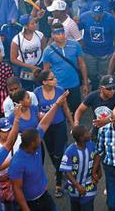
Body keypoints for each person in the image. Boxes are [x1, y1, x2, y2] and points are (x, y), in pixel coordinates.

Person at [9, 90, 69, 211]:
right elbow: (17, 190)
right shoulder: (17, 163)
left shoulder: (35, 148)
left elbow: (45, 122)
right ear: (32, 144)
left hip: (44, 196)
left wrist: (57, 104)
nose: (41, 139)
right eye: (38, 139)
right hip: (31, 203)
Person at [34, 69, 74, 198]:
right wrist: (40, 116)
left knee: (59, 153)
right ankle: (59, 172)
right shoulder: (37, 93)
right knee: (52, 153)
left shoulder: (60, 90)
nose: (55, 80)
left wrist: (73, 124)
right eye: (52, 78)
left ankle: (58, 183)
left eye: (54, 77)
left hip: (59, 126)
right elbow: (36, 111)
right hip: (46, 129)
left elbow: (66, 109)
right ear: (44, 82)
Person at [42, 22, 89, 111]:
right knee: (60, 111)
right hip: (58, 86)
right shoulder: (48, 51)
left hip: (74, 84)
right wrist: (49, 88)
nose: (61, 36)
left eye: (63, 32)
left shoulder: (75, 45)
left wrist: (85, 83)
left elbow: (82, 64)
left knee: (76, 110)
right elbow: (46, 71)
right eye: (58, 33)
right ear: (52, 35)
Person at [79, 5, 115, 90]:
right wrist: (76, 22)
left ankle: (102, 91)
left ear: (103, 13)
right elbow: (76, 30)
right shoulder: (84, 17)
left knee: (104, 74)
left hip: (106, 52)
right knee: (91, 74)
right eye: (95, 15)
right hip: (89, 52)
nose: (97, 17)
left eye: (99, 15)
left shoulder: (110, 18)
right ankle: (95, 87)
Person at [60, 125, 99, 211]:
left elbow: (97, 156)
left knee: (87, 207)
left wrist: (94, 171)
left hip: (89, 186)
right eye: (87, 133)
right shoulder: (69, 151)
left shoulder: (91, 145)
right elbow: (67, 172)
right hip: (73, 188)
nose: (89, 134)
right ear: (81, 138)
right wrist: (78, 186)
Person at [0, 117, 21, 210]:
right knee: (9, 205)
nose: (9, 132)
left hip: (18, 176)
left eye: (10, 129)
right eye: (6, 131)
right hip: (4, 181)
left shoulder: (17, 137)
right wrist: (14, 160)